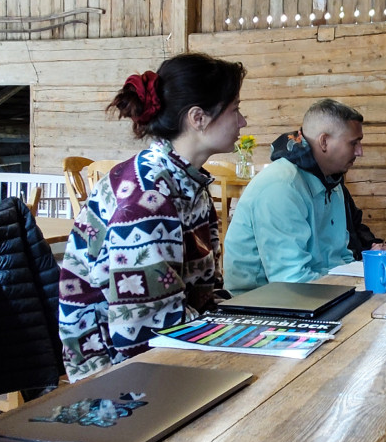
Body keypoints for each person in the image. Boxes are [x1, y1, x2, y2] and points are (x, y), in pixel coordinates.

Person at [58, 54, 246, 380]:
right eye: (235, 110)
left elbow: (204, 292)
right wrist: (240, 339)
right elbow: (142, 333)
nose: (242, 122)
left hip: (168, 348)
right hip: (117, 376)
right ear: (198, 118)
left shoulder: (186, 181)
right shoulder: (147, 200)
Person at [223, 98, 386, 294]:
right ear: (324, 141)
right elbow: (291, 282)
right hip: (262, 302)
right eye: (354, 143)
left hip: (314, 293)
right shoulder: (281, 186)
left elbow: (343, 259)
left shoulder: (332, 183)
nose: (360, 152)